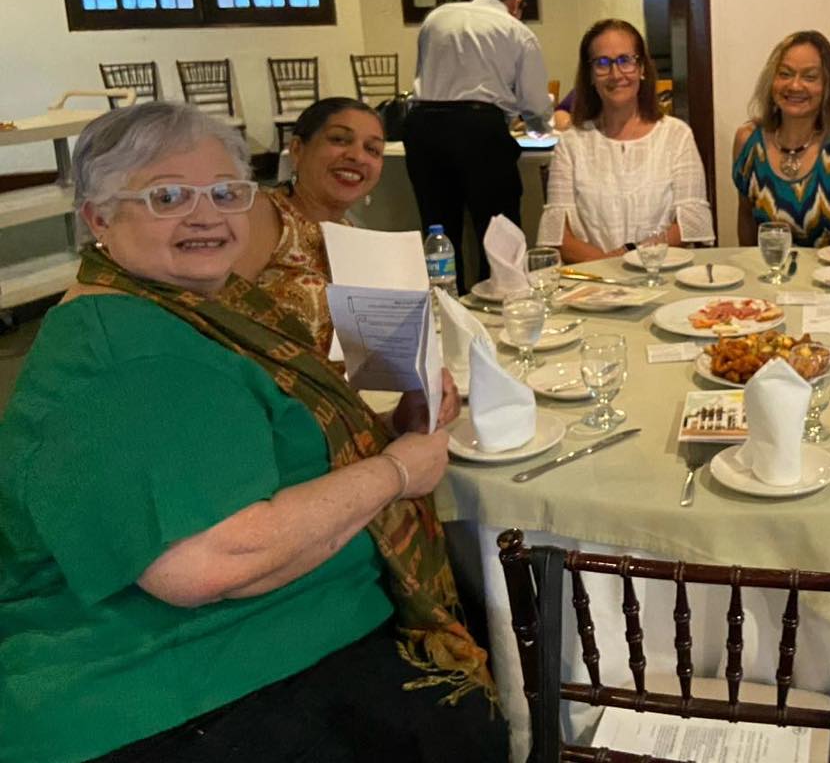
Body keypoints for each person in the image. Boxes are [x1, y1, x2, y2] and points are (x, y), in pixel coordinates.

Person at [0, 102, 502, 763]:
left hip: (265, 638)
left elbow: (259, 448)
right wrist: (397, 471)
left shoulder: (197, 310)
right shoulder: (122, 349)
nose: (206, 215)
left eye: (226, 192)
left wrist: (385, 430)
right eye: (168, 196)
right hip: (170, 686)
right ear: (98, 218)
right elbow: (203, 563)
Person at [405, 0, 552, 290]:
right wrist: (541, 127)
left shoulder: (437, 17)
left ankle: (444, 302)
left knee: (438, 228)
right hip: (478, 128)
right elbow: (533, 102)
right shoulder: (516, 31)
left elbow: (423, 73)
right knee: (497, 229)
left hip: (422, 125)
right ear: (517, 2)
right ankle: (498, 298)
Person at [538, 19, 714, 262]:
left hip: (660, 273)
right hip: (593, 278)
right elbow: (559, 237)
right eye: (602, 63)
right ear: (590, 75)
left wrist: (633, 257)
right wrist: (610, 268)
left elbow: (690, 223)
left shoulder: (676, 135)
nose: (616, 73)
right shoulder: (571, 144)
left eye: (625, 60)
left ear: (642, 68)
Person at [232, 97, 385, 357]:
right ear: (297, 149)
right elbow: (217, 315)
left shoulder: (352, 235)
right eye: (339, 139)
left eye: (372, 149)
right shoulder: (264, 214)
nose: (357, 156)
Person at [731, 30, 830, 247]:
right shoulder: (748, 140)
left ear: (828, 86)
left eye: (809, 77)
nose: (794, 86)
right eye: (785, 74)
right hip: (774, 268)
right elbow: (746, 226)